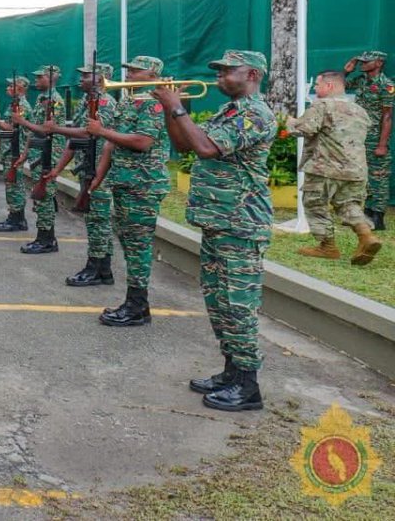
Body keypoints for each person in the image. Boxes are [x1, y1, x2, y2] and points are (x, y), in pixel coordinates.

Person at [156, 49, 276, 412]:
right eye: (219, 72)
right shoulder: (229, 111)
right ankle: (231, 372)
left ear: (252, 74)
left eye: (228, 71)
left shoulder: (256, 113)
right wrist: (170, 110)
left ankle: (249, 387)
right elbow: (183, 144)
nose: (220, 77)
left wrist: (177, 106)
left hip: (241, 225)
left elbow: (207, 148)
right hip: (219, 222)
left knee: (239, 306)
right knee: (219, 302)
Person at [86, 56, 171, 326]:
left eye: (136, 70)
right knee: (128, 242)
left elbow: (142, 142)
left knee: (138, 246)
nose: (130, 74)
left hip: (143, 185)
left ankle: (137, 306)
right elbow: (112, 143)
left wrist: (101, 132)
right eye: (129, 70)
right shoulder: (128, 100)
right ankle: (134, 302)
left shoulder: (155, 102)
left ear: (153, 74)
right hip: (124, 182)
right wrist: (99, 175)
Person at [287, 70, 382, 265]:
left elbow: (303, 129)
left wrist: (290, 122)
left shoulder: (322, 106)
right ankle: (366, 236)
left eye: (317, 85)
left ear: (329, 86)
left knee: (315, 204)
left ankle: (326, 247)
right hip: (356, 170)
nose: (315, 89)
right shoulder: (359, 110)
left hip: (325, 168)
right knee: (349, 204)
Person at [42, 63, 116, 287]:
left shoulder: (105, 103)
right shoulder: (86, 103)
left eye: (86, 75)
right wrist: (58, 168)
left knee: (99, 220)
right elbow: (74, 142)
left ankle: (97, 268)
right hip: (88, 167)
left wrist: (55, 129)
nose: (81, 79)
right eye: (81, 74)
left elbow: (88, 132)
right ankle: (102, 269)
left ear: (101, 78)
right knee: (94, 220)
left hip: (101, 171)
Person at [10, 65, 64, 253]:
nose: (36, 80)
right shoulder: (42, 99)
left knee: (45, 197)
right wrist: (25, 153)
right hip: (38, 153)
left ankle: (47, 239)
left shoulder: (55, 101)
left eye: (40, 77)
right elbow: (34, 131)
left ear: (51, 78)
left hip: (49, 154)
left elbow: (47, 129)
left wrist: (22, 121)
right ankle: (42, 236)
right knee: (40, 198)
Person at [344, 51, 393, 231]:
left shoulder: (386, 86)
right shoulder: (361, 80)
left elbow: (387, 117)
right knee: (361, 175)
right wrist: (347, 71)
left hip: (374, 138)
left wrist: (381, 144)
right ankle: (365, 212)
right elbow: (338, 86)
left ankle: (378, 216)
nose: (362, 64)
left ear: (379, 63)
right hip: (358, 137)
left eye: (366, 61)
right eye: (361, 61)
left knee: (378, 176)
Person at [0, 75, 30, 232]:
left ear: (20, 88)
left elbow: (11, 127)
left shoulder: (22, 106)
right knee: (11, 184)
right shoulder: (14, 105)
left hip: (16, 150)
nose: (7, 88)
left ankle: (17, 219)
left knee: (15, 185)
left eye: (11, 86)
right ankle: (15, 216)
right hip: (9, 150)